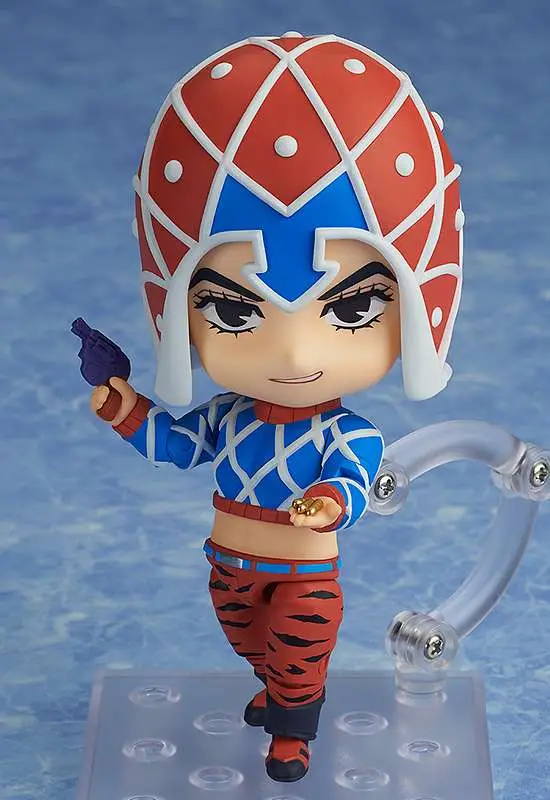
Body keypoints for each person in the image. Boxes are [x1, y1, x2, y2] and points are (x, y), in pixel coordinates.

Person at [88, 31, 463, 783]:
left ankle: (293, 733)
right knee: (250, 642)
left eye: (351, 310)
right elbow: (179, 445)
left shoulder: (348, 431)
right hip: (227, 560)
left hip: (302, 568)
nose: (293, 354)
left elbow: (352, 480)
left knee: (299, 644)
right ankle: (280, 690)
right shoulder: (228, 418)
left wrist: (328, 502)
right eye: (235, 313)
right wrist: (125, 409)